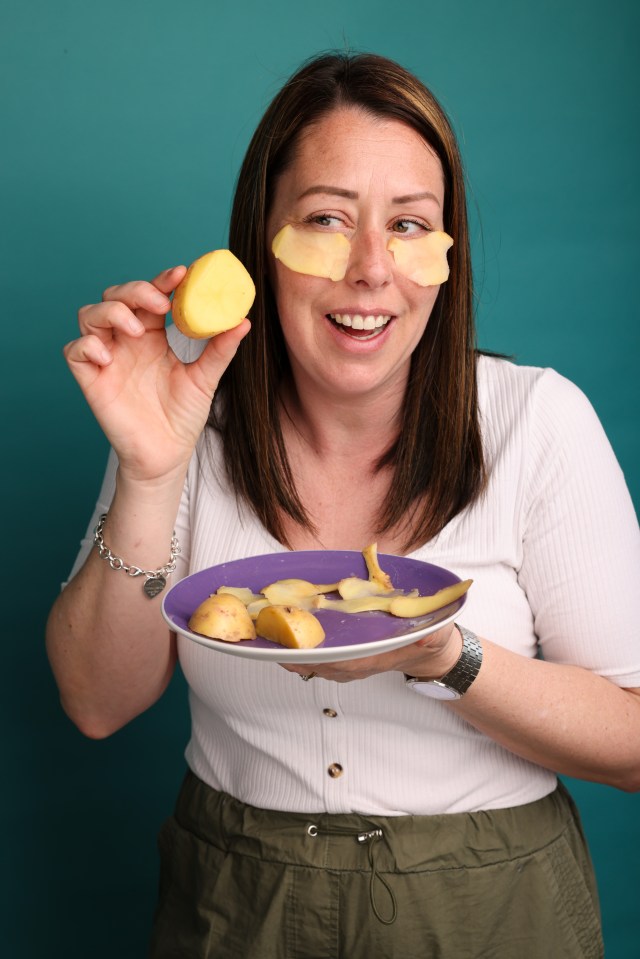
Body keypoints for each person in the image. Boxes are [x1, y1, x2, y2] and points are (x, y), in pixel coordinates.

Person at [46, 51, 640, 958]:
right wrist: (151, 468)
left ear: (448, 256)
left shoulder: (538, 421)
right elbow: (96, 701)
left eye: (410, 225)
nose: (372, 269)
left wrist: (451, 656)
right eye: (326, 219)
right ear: (259, 245)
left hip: (491, 906)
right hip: (234, 901)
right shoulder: (187, 420)